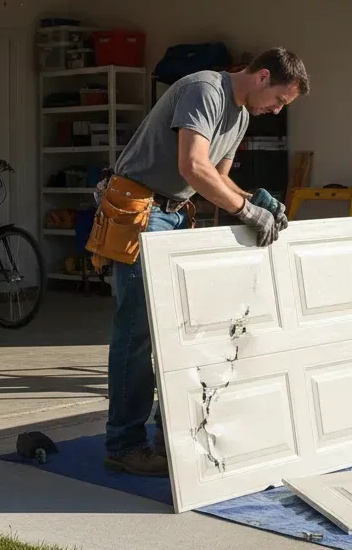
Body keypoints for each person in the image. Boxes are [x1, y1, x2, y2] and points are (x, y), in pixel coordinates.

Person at [87, 47, 310, 476]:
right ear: (263, 76)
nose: (277, 109)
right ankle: (123, 444)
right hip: (141, 211)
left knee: (174, 332)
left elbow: (218, 178)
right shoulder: (204, 90)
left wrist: (255, 200)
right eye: (280, 99)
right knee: (137, 331)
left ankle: (165, 436)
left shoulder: (241, 114)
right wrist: (247, 213)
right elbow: (192, 166)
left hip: (171, 214)